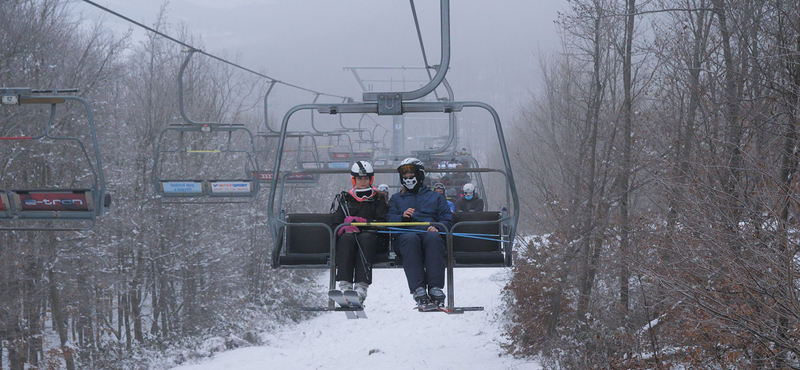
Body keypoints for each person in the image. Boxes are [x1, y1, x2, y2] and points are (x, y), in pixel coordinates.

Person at [387, 158, 453, 305]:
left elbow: (447, 220)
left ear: (420, 175)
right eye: (405, 177)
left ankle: (435, 288)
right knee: (410, 238)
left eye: (412, 176)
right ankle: (418, 288)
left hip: (429, 234)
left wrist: (438, 226)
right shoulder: (397, 199)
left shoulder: (435, 197)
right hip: (406, 238)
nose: (408, 180)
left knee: (433, 238)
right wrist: (402, 218)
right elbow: (389, 221)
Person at [331, 161, 388, 303]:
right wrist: (345, 226)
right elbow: (337, 223)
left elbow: (383, 223)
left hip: (372, 239)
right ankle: (345, 285)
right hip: (350, 239)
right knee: (346, 239)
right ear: (354, 180)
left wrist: (363, 223)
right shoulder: (346, 199)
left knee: (365, 238)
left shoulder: (378, 199)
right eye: (360, 179)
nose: (363, 182)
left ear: (370, 180)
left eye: (366, 179)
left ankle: (361, 287)